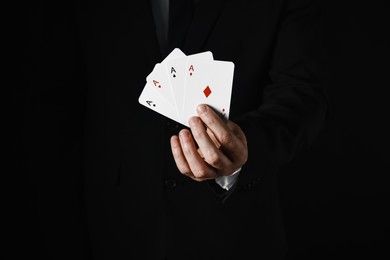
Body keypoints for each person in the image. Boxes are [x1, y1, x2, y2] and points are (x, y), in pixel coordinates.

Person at [24, 0, 328, 259]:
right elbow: (54, 102)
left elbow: (300, 93)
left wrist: (245, 146)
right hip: (112, 226)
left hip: (236, 231)